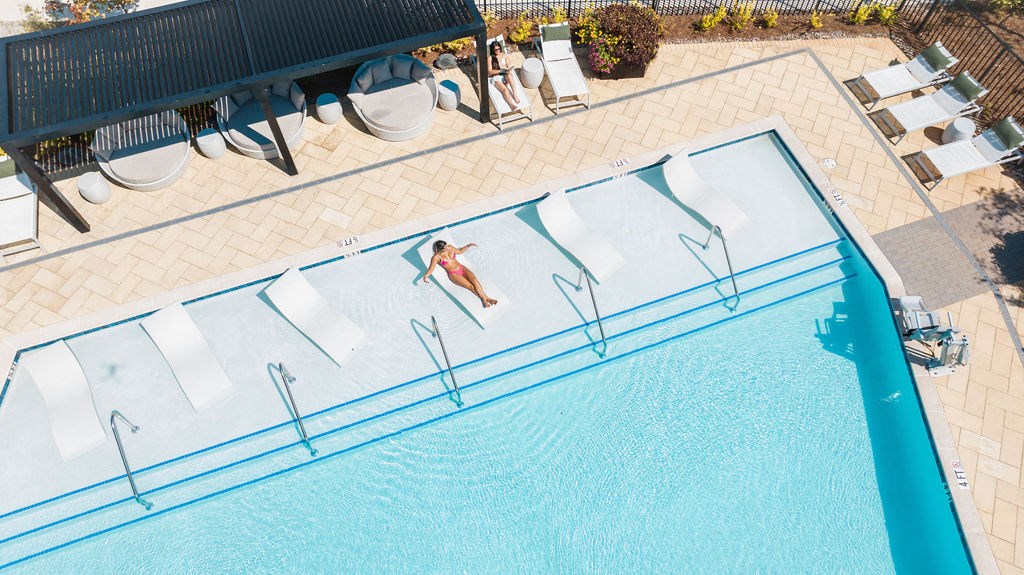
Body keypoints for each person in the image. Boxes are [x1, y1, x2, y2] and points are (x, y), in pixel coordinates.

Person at [423, 240, 498, 308]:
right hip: (454, 274)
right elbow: (431, 269)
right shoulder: (436, 257)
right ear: (440, 249)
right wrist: (426, 276)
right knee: (471, 286)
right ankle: (485, 300)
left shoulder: (449, 247)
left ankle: (487, 299)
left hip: (462, 268)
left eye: (446, 246)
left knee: (475, 280)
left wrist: (468, 245)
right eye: (444, 248)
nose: (446, 248)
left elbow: (459, 251)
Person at [488, 40, 521, 112]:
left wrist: (508, 71)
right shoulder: (490, 58)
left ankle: (515, 95)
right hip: (496, 77)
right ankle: (511, 105)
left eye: (499, 48)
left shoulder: (505, 55)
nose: (498, 51)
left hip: (505, 75)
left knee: (509, 74)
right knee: (505, 90)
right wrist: (500, 71)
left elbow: (509, 67)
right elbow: (490, 72)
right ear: (493, 50)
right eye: (496, 50)